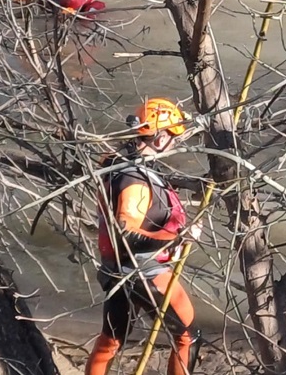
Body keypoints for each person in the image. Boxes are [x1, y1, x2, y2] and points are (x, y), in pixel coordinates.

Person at [86, 98, 202, 375]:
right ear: (159, 139)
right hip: (143, 272)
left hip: (117, 270)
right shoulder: (134, 181)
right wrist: (177, 238)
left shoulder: (122, 165)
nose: (175, 143)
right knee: (188, 336)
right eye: (173, 137)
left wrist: (194, 183)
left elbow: (155, 183)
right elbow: (125, 233)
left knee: (111, 341)